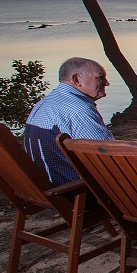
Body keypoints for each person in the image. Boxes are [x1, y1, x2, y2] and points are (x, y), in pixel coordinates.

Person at [24, 57, 114, 186]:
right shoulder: (79, 110)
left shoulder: (45, 103)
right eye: (100, 78)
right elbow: (110, 157)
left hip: (49, 187)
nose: (107, 83)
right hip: (76, 190)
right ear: (77, 80)